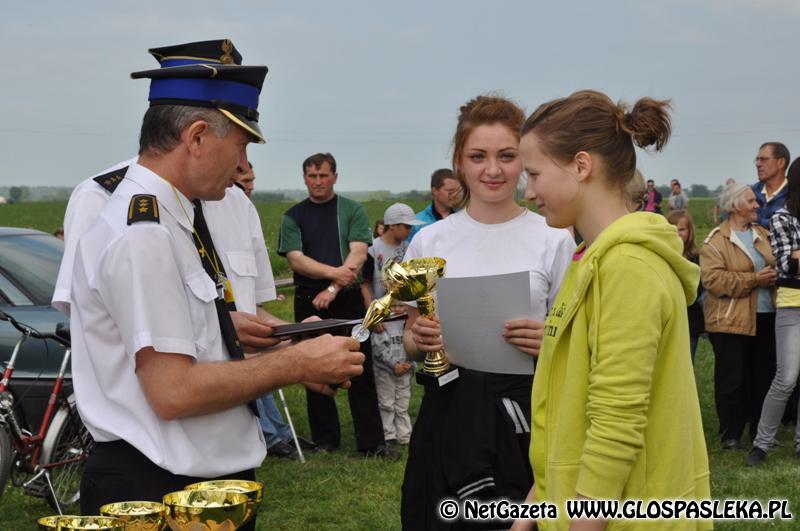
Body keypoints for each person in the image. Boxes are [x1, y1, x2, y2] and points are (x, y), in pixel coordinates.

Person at [69, 42, 365, 525]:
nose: (244, 166)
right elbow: (174, 392)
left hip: (198, 481)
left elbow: (196, 342)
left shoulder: (172, 215)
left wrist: (268, 343)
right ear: (199, 137)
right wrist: (292, 362)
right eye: (242, 145)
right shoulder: (143, 232)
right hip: (157, 488)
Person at [514, 90, 711, 531]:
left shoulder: (627, 268)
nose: (528, 192)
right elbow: (571, 417)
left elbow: (615, 426)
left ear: (581, 166)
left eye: (535, 174)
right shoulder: (590, 259)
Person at [401, 95, 575, 529]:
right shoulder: (430, 241)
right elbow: (409, 338)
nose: (493, 170)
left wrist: (547, 341)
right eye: (478, 157)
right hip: (448, 411)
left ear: (524, 161)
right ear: (460, 161)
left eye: (507, 156)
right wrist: (419, 339)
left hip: (524, 414)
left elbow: (577, 342)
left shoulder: (553, 239)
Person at [277, 152, 397, 458]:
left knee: (362, 368)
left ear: (335, 177)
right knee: (312, 366)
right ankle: (325, 440)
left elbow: (358, 253)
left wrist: (335, 286)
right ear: (304, 178)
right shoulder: (293, 216)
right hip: (309, 300)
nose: (318, 182)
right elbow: (295, 259)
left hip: (347, 299)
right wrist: (335, 274)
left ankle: (372, 444)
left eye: (324, 175)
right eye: (312, 176)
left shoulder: (352, 210)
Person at [233, 162, 309, 459]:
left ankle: (279, 432)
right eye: (243, 180)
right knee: (252, 378)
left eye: (252, 180)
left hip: (252, 316)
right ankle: (272, 435)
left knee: (263, 378)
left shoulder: (246, 213)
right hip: (232, 325)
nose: (248, 186)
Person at [701, 182, 777, 451]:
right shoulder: (715, 241)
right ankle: (731, 434)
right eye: (750, 201)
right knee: (731, 379)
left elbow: (777, 262)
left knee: (763, 377)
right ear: (734, 206)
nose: (757, 205)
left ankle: (760, 432)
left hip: (766, 317)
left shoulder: (763, 234)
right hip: (730, 322)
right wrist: (754, 279)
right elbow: (714, 281)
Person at [747, 158, 800, 466]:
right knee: (787, 376)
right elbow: (785, 265)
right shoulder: (782, 218)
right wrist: (794, 259)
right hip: (792, 304)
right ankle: (762, 443)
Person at [372, 300, 414, 445]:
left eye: (400, 306)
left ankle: (405, 436)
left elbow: (415, 344)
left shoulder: (410, 322)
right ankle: (388, 435)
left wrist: (410, 363)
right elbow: (378, 349)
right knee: (387, 403)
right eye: (393, 306)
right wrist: (393, 365)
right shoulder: (382, 323)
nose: (396, 309)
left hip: (405, 369)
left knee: (402, 403)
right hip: (385, 371)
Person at [668, 210, 704, 361]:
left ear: (690, 231)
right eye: (673, 229)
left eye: (682, 229)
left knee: (686, 362)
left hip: (690, 322)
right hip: (668, 320)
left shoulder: (696, 258)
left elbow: (699, 289)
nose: (678, 233)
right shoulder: (663, 256)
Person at [408, 168, 462, 240]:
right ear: (435, 191)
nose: (455, 195)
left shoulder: (466, 219)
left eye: (458, 191)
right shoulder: (417, 222)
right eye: (450, 191)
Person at [753, 142, 790, 228]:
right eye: (757, 159)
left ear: (780, 163)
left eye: (763, 159)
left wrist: (758, 220)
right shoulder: (752, 193)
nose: (758, 164)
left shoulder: (793, 194)